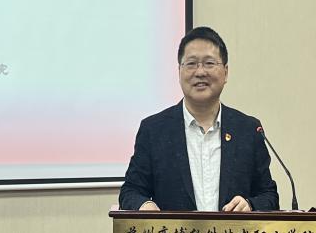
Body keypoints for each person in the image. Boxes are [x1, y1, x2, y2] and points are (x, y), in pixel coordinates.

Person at [118, 26, 279, 212]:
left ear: (226, 72)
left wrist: (250, 205)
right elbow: (130, 191)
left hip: (232, 232)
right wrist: (145, 205)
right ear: (179, 71)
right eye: (191, 63)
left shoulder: (248, 130)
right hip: (174, 232)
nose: (200, 72)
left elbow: (269, 195)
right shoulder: (154, 130)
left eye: (209, 63)